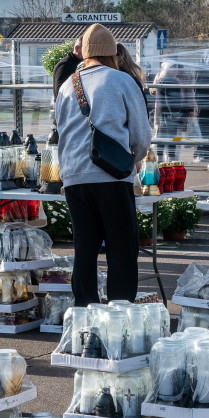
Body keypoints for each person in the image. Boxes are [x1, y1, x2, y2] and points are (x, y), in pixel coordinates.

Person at [55, 24, 151, 306]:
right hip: (111, 178)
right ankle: (119, 313)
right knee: (121, 250)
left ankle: (84, 313)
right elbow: (142, 136)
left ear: (83, 54)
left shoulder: (67, 86)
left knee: (84, 249)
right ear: (112, 53)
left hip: (74, 177)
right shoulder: (121, 81)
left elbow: (61, 131)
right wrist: (131, 161)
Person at [151, 62, 193, 162]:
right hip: (171, 116)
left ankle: (161, 159)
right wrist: (175, 114)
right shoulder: (172, 80)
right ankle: (170, 161)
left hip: (162, 114)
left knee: (162, 137)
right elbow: (172, 101)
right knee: (172, 138)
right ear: (168, 69)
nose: (176, 70)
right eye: (174, 68)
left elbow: (161, 99)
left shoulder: (161, 79)